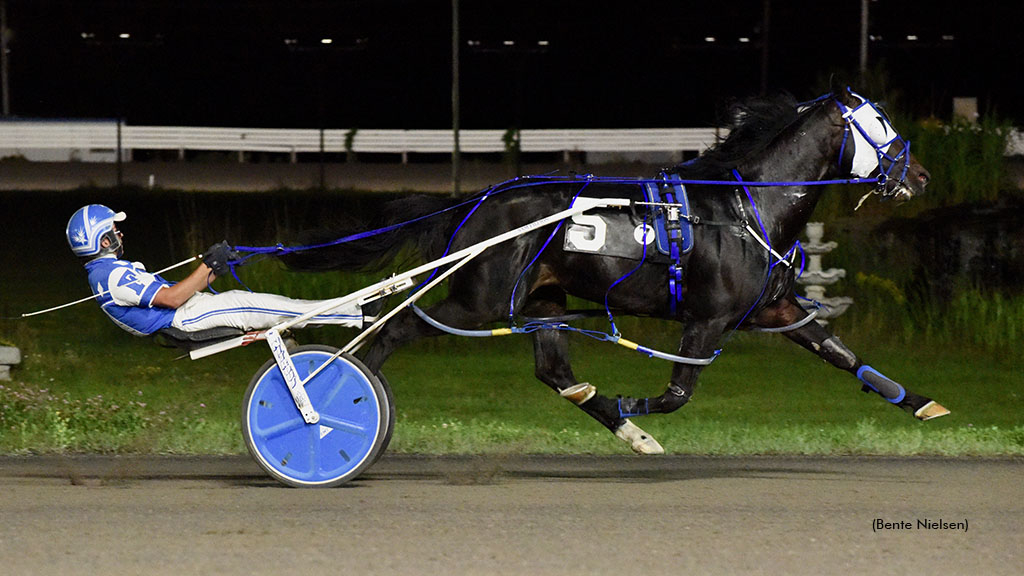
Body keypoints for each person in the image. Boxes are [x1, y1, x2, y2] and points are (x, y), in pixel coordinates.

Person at [66, 204, 370, 337]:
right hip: (182, 317)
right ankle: (357, 314)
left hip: (187, 311)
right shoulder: (113, 276)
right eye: (115, 231)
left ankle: (352, 310)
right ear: (102, 240)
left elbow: (178, 292)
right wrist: (208, 265)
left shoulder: (106, 274)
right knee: (262, 307)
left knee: (271, 306)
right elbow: (171, 299)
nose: (120, 235)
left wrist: (216, 269)